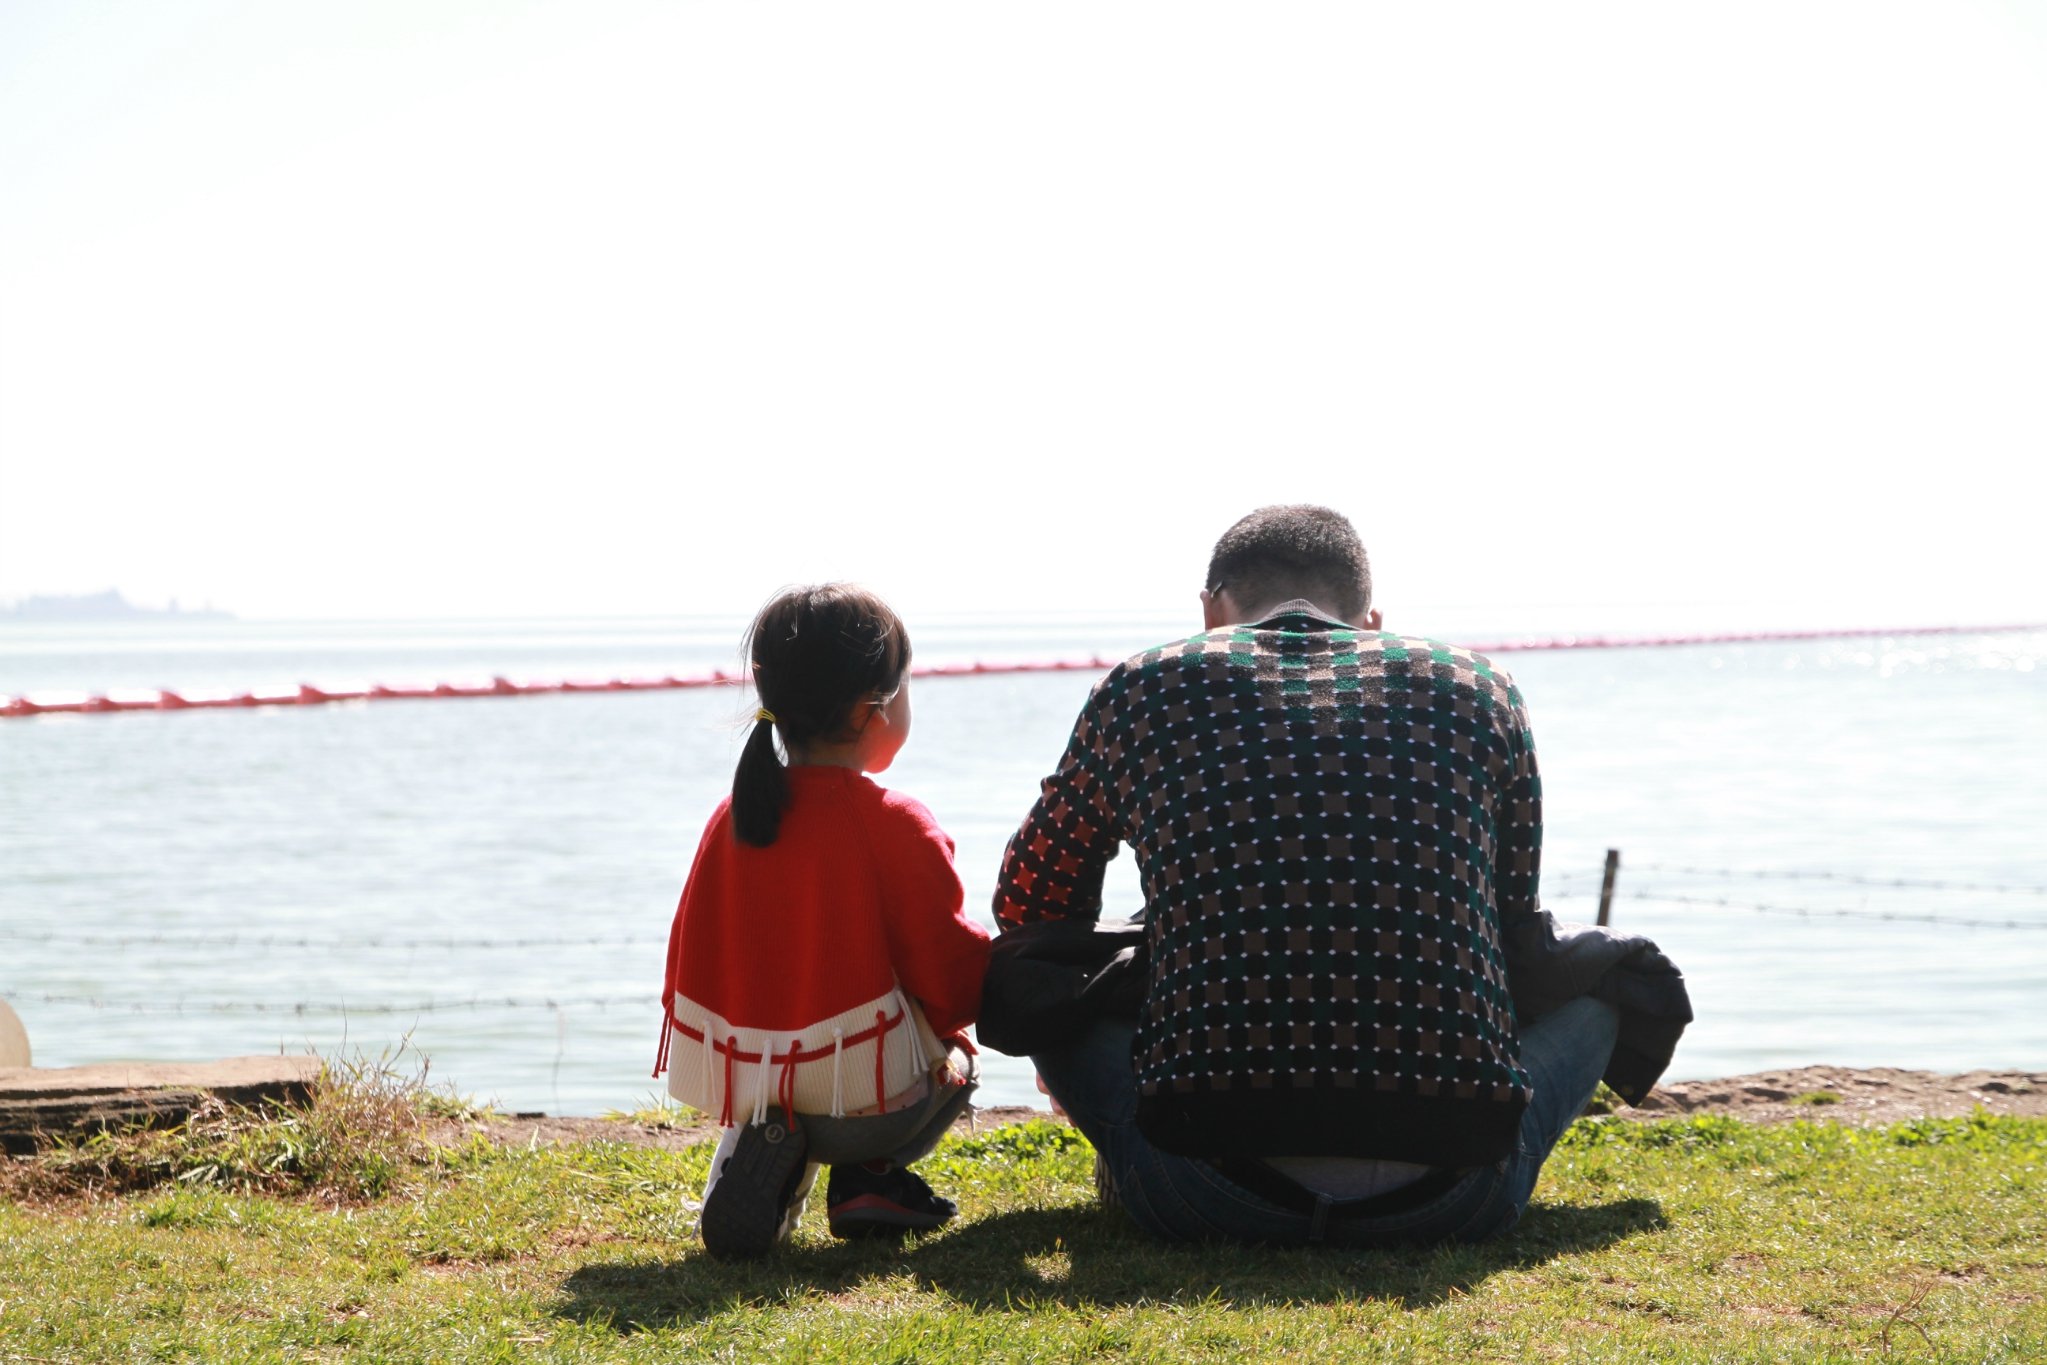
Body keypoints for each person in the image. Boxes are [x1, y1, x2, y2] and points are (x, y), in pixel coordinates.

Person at [990, 505, 1689, 1246]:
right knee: (1603, 992)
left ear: (1209, 611)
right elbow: (1512, 925)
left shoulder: (1142, 685)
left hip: (1195, 1191)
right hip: (1457, 1199)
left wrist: (1092, 991)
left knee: (1029, 971)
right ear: (1371, 620)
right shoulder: (1479, 684)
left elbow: (1033, 900)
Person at [655, 584, 992, 1259]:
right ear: (875, 707)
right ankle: (870, 1174)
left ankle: (756, 1154)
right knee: (954, 1052)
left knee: (794, 1046)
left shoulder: (732, 814)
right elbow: (951, 975)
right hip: (866, 1112)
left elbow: (687, 960)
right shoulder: (895, 822)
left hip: (743, 1087)